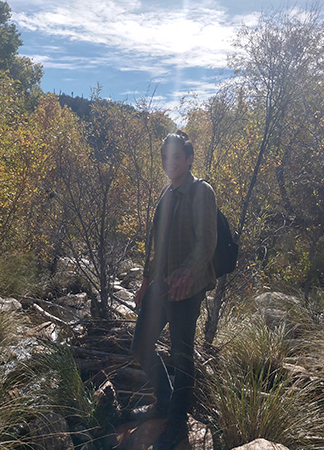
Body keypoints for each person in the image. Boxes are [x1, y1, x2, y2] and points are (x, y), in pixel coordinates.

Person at [130, 130, 217, 450]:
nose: (170, 163)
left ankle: (177, 424)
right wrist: (144, 281)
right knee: (140, 345)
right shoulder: (165, 195)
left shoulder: (201, 191)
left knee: (182, 357)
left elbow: (207, 242)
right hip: (161, 286)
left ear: (189, 158)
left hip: (187, 289)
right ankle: (163, 401)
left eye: (176, 157)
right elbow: (155, 245)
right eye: (165, 157)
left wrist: (187, 271)